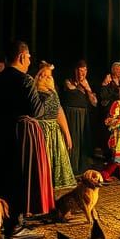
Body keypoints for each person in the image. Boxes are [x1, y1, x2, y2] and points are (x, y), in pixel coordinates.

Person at [0, 40, 48, 239]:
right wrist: (43, 94)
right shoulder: (25, 80)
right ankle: (15, 227)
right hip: (22, 134)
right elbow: (37, 111)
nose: (30, 61)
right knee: (20, 176)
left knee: (0, 176)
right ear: (21, 56)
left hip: (0, 133)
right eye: (28, 57)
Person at [34, 62, 77, 191]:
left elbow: (59, 111)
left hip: (54, 130)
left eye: (49, 76)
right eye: (44, 75)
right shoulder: (34, 92)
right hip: (41, 130)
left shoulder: (53, 91)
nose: (47, 78)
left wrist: (67, 133)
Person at [62, 60, 98, 175]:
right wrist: (80, 85)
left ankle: (81, 167)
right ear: (75, 70)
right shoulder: (68, 81)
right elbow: (71, 90)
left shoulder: (87, 84)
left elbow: (94, 102)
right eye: (80, 70)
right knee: (73, 140)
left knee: (83, 140)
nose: (82, 73)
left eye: (84, 71)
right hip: (72, 114)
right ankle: (71, 168)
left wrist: (88, 89)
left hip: (83, 114)